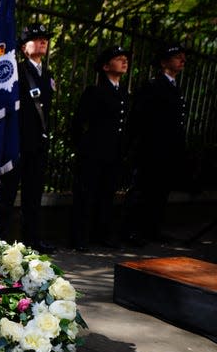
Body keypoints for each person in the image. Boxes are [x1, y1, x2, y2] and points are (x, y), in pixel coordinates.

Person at [0, 23, 55, 253]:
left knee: (34, 195)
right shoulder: (15, 72)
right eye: (37, 38)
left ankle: (32, 239)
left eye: (45, 39)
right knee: (8, 195)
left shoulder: (47, 75)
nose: (43, 42)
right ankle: (0, 240)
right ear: (23, 47)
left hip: (38, 144)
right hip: (17, 143)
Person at [124, 44, 187, 244]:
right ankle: (132, 231)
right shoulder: (153, 86)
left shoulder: (174, 86)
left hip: (167, 150)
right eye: (177, 57)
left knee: (160, 191)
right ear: (164, 62)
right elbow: (140, 117)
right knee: (142, 190)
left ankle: (152, 229)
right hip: (150, 149)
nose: (182, 60)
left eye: (182, 57)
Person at [70, 46, 131, 251]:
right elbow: (78, 123)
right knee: (87, 195)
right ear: (106, 66)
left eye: (125, 59)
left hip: (113, 153)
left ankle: (102, 234)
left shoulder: (123, 92)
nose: (124, 62)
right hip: (94, 153)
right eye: (118, 59)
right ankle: (80, 237)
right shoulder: (95, 91)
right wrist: (85, 148)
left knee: (107, 194)